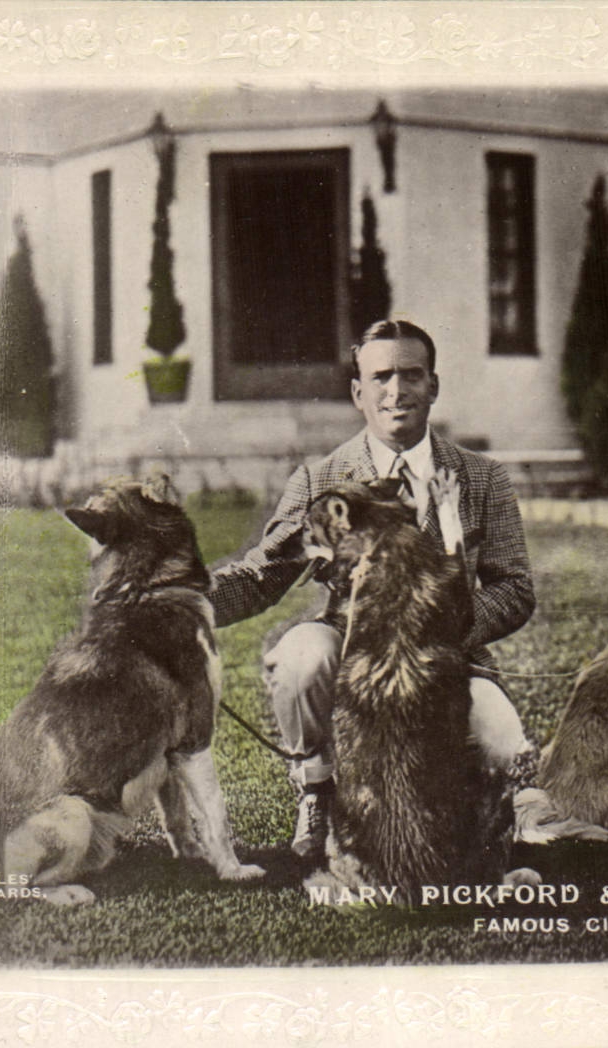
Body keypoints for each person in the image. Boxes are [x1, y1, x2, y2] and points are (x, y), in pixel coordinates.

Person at [210, 319, 537, 861]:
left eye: (412, 375)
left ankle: (462, 819)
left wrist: (437, 628)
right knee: (301, 656)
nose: (397, 390)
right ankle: (318, 789)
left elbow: (514, 589)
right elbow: (260, 575)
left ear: (434, 385)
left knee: (501, 745)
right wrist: (185, 603)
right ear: (358, 393)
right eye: (381, 377)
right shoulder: (321, 479)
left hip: (448, 659)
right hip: (351, 653)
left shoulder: (482, 477)